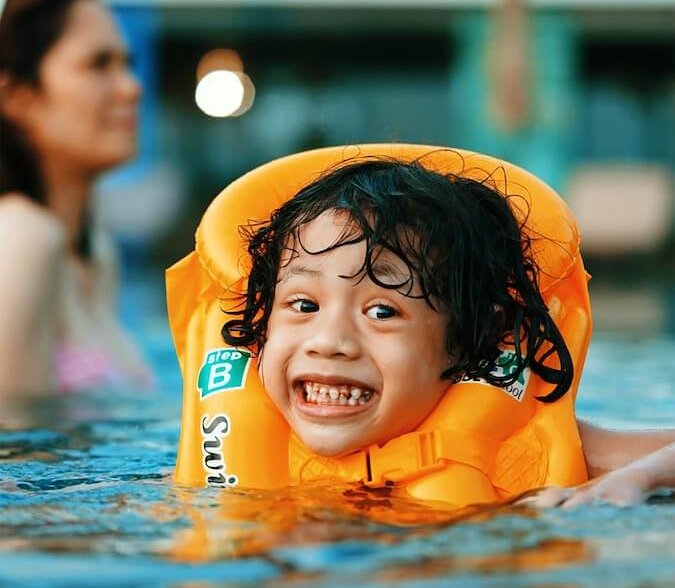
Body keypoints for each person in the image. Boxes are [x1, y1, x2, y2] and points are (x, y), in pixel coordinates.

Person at [169, 148, 674, 508]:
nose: (329, 342)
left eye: (382, 311)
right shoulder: (225, 454)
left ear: (468, 337)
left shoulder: (519, 452)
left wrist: (633, 480)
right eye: (303, 304)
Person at [0, 0, 151, 397]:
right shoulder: (20, 237)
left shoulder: (96, 254)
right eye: (98, 64)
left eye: (128, 64)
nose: (132, 88)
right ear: (16, 97)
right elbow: (15, 456)